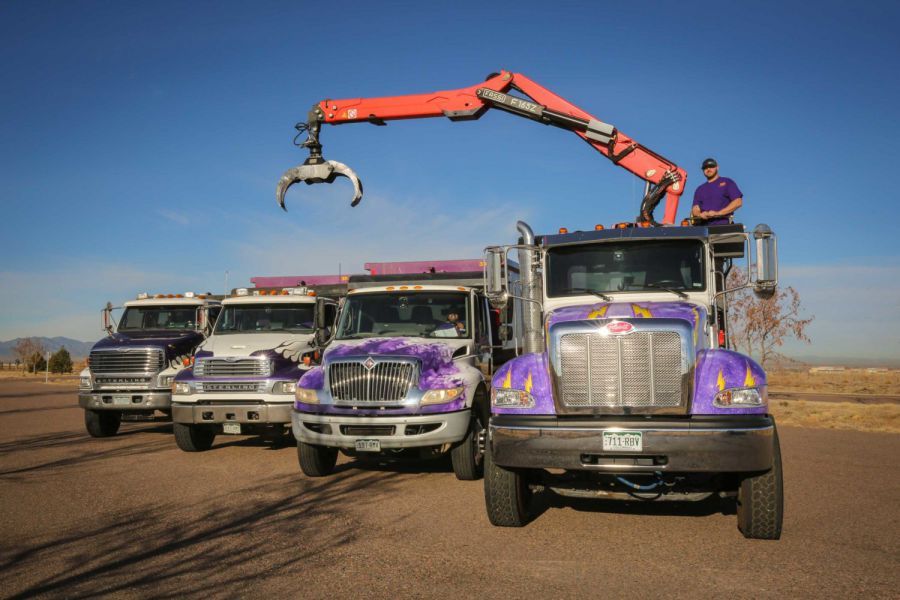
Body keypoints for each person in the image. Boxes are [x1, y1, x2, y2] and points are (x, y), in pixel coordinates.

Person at [691, 158, 743, 225]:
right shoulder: (700, 189)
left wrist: (718, 213)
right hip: (703, 228)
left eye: (711, 167)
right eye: (705, 168)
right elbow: (695, 209)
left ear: (717, 167)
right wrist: (700, 214)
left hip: (723, 227)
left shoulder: (727, 182)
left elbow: (738, 202)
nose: (708, 169)